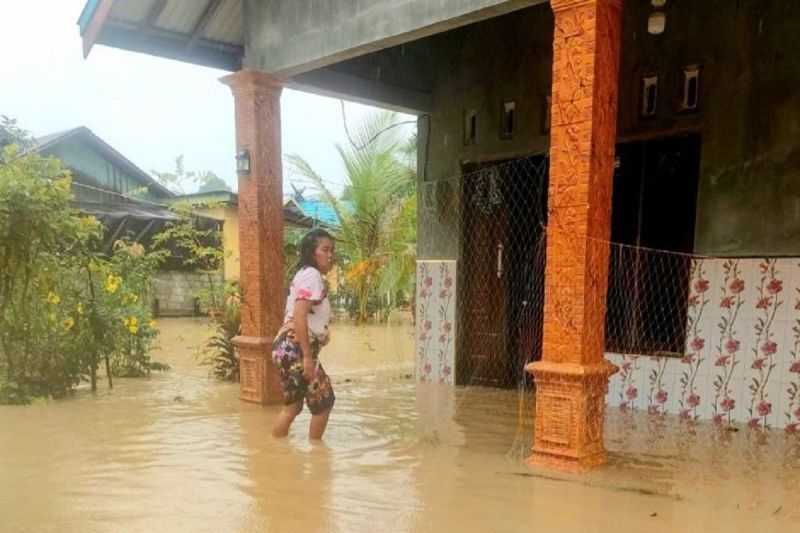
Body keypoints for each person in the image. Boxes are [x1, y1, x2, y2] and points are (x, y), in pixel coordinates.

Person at [271, 228, 336, 439]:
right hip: (297, 349)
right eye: (324, 249)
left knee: (293, 407)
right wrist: (307, 356)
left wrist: (320, 336)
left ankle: (274, 454)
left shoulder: (304, 274)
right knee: (324, 402)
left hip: (288, 347)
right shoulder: (312, 275)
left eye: (332, 250)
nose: (330, 255)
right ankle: (317, 456)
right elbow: (299, 315)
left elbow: (303, 316)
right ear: (311, 252)